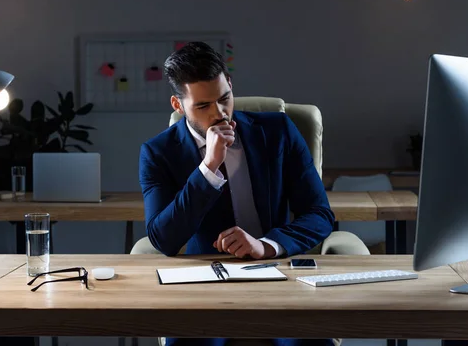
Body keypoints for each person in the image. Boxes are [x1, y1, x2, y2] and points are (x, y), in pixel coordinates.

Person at [138, 42, 335, 346]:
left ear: (230, 85)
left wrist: (266, 246)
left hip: (279, 273)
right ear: (178, 105)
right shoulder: (157, 153)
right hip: (206, 281)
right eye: (203, 106)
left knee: (309, 340)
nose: (219, 114)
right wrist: (209, 166)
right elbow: (163, 239)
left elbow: (320, 215)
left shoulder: (279, 130)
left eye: (224, 99)